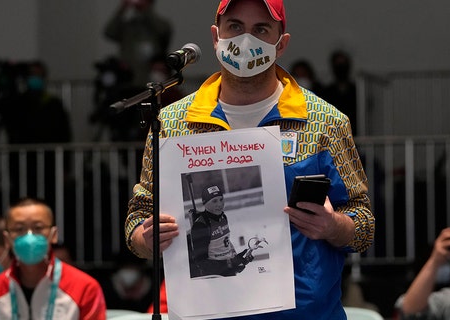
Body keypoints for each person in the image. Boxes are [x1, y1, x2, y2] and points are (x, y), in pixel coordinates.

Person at [124, 0, 375, 318]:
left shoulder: (325, 122)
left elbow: (364, 226)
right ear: (216, 37)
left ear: (280, 43)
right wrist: (146, 238)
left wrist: (334, 226)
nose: (246, 40)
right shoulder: (173, 124)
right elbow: (137, 219)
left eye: (261, 29)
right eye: (235, 27)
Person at [0, 197, 106, 320]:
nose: (29, 236)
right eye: (19, 229)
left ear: (53, 235)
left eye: (38, 228)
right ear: (7, 239)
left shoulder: (85, 288)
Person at [188, 185, 253, 277]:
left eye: (221, 199)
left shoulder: (223, 217)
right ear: (205, 203)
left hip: (228, 272)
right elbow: (202, 264)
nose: (219, 204)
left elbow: (226, 242)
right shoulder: (201, 225)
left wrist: (238, 261)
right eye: (214, 201)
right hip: (214, 277)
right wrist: (230, 264)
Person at [104, 0, 173, 87]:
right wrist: (122, 8)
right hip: (127, 80)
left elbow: (164, 32)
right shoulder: (128, 26)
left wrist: (145, 9)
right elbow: (109, 32)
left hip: (151, 80)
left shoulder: (159, 24)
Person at [323, 50, 358, 135]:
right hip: (333, 134)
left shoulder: (356, 91)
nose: (341, 68)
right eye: (338, 65)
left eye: (343, 64)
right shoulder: (327, 92)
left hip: (354, 134)